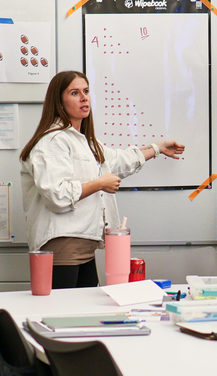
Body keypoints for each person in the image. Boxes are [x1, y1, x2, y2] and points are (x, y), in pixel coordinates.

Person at [20, 70, 185, 289]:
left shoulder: (85, 142)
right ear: (59, 102)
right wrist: (99, 183)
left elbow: (119, 159)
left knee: (85, 312)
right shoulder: (52, 141)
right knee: (63, 313)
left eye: (86, 91)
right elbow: (57, 196)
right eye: (75, 93)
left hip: (84, 246)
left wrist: (157, 148)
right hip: (63, 245)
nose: (84, 97)